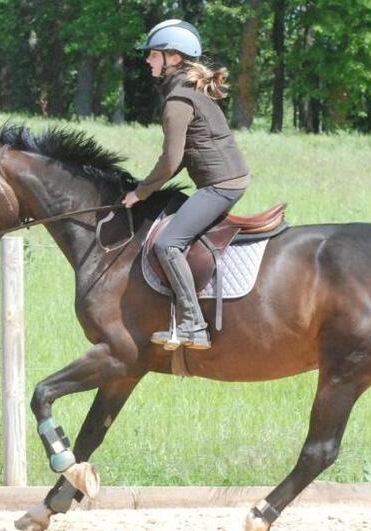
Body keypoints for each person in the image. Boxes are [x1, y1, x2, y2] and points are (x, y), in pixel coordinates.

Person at [122, 19, 250, 351]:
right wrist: (147, 186)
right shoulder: (188, 92)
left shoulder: (178, 100)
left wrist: (141, 192)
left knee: (167, 245)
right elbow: (177, 159)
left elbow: (170, 159)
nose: (148, 60)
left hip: (221, 186)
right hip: (223, 181)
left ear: (173, 58)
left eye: (153, 54)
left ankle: (194, 324)